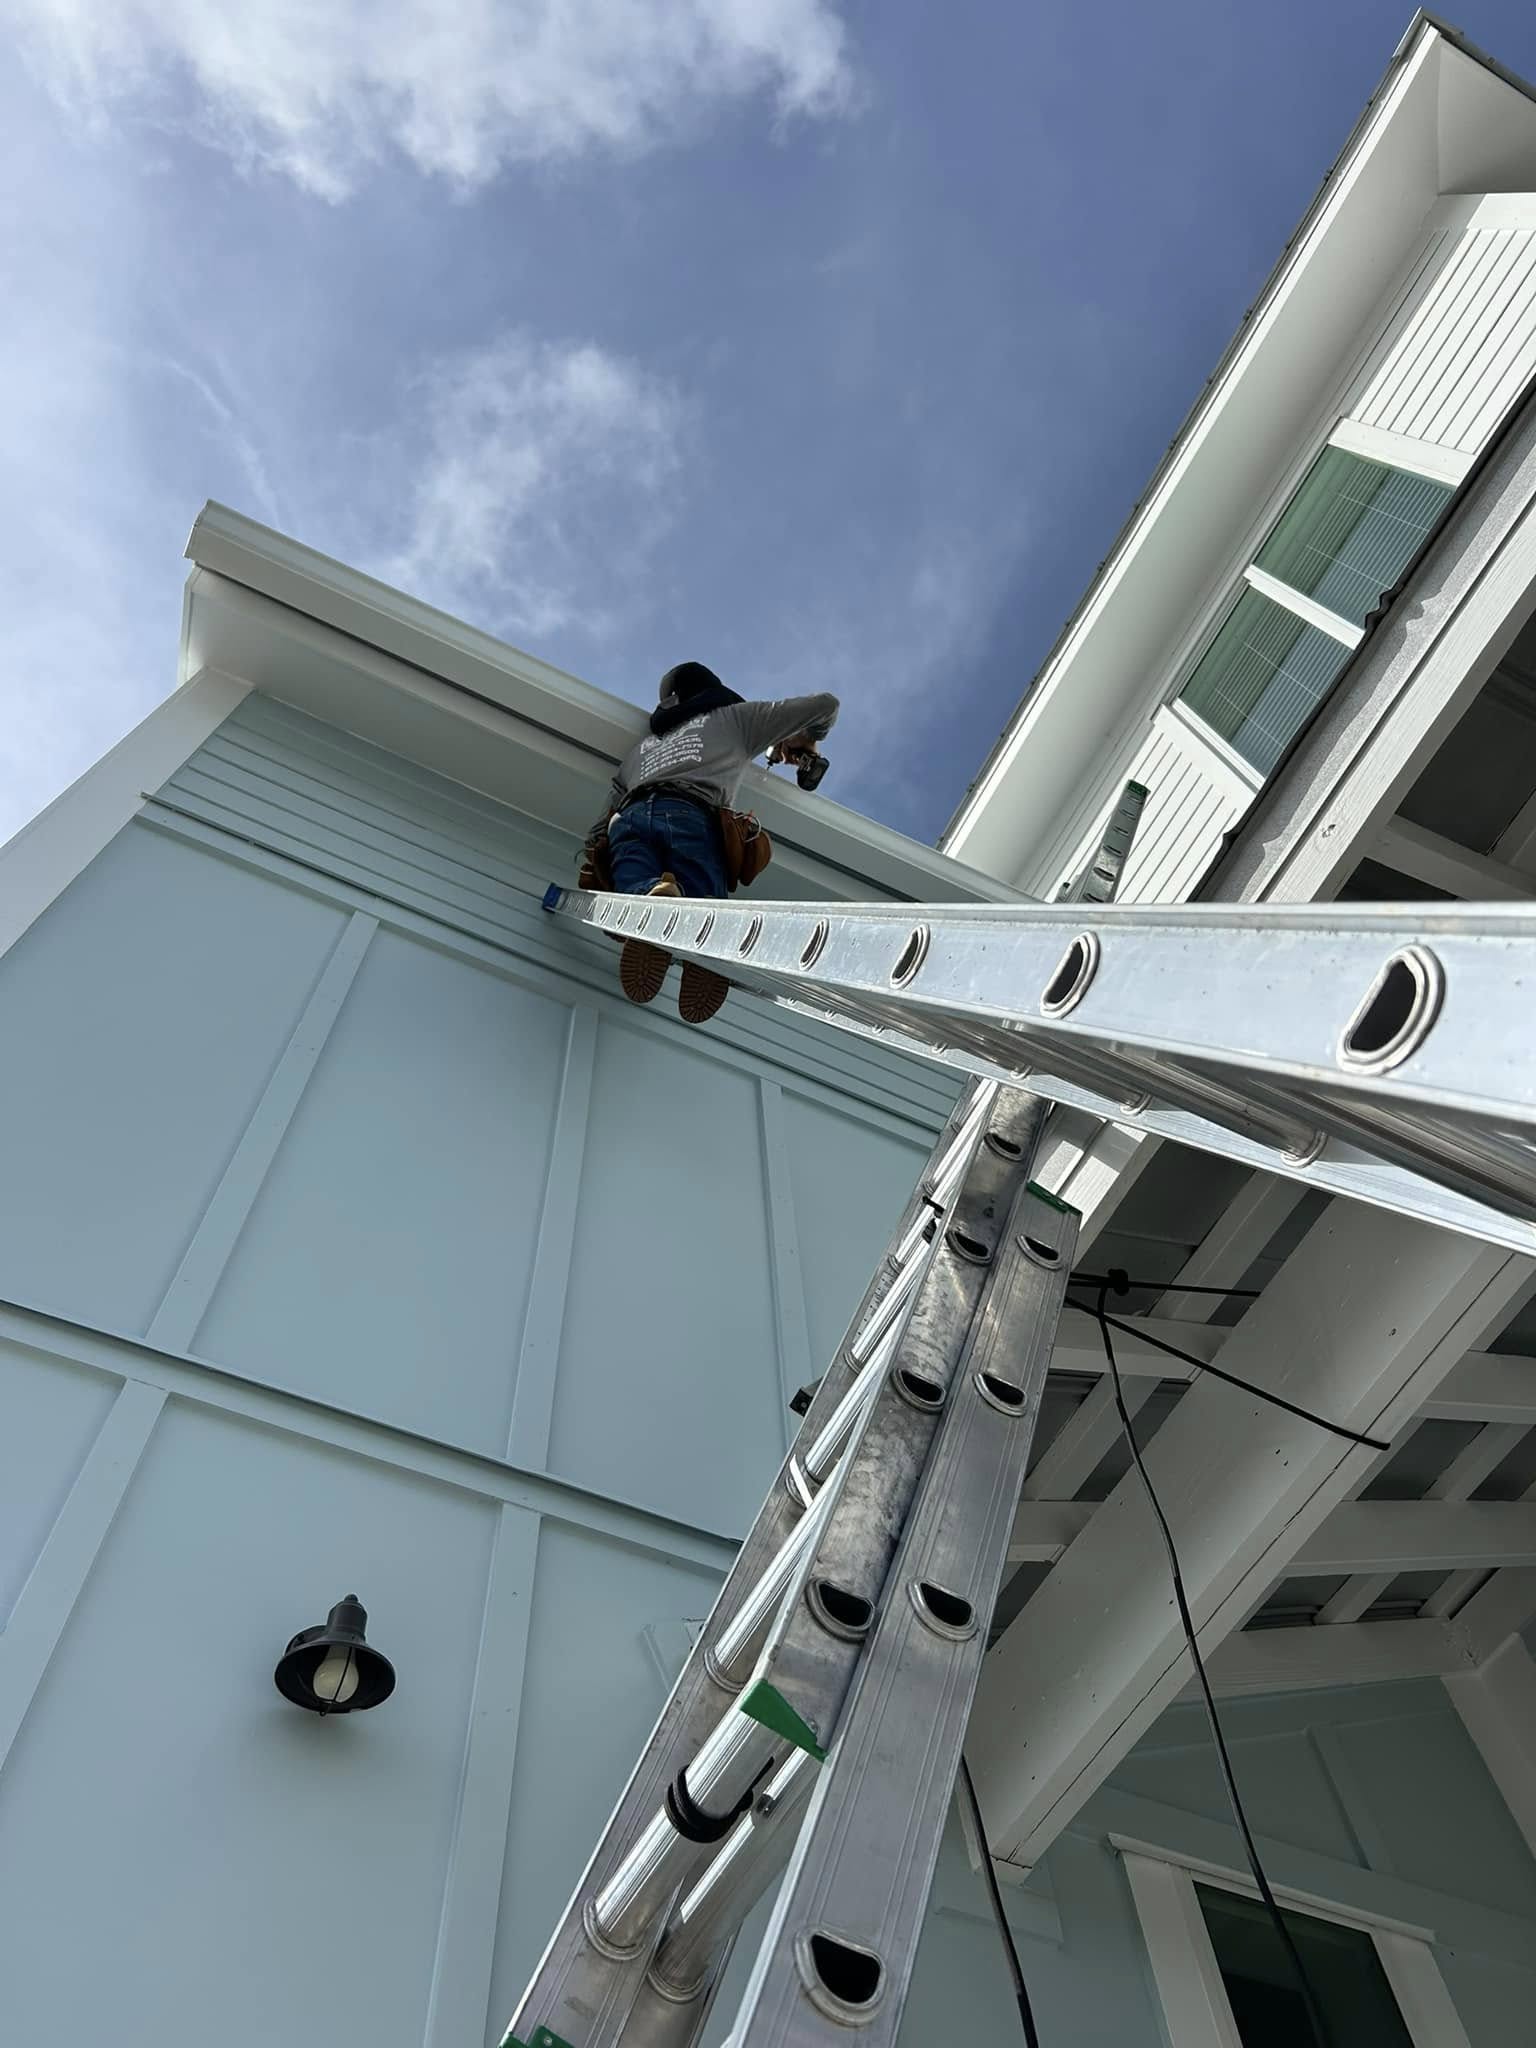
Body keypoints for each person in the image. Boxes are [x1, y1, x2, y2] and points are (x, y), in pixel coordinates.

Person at [592, 661, 839, 1023]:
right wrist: (806, 735)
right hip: (689, 814)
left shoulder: (642, 748)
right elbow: (826, 704)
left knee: (634, 882)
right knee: (704, 906)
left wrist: (593, 848)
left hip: (629, 819)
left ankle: (653, 894)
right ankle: (703, 952)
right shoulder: (737, 718)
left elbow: (607, 809)